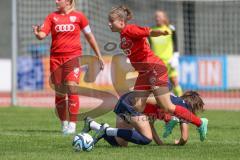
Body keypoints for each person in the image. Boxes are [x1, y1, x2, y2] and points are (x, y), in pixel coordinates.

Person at [106, 5, 208, 141]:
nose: (109, 24)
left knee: (167, 106)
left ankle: (200, 123)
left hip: (154, 69)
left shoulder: (130, 29)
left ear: (121, 22)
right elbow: (142, 44)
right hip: (143, 73)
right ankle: (122, 135)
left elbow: (148, 32)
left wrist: (161, 33)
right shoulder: (123, 35)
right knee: (137, 107)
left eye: (111, 21)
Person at [32, 0, 104, 134]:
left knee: (72, 88)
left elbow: (89, 36)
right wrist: (38, 34)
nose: (56, 1)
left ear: (68, 1)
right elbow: (42, 35)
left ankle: (72, 124)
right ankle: (64, 123)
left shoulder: (79, 17)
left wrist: (98, 55)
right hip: (56, 59)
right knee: (60, 93)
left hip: (73, 57)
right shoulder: (52, 17)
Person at [148, 10, 183, 96]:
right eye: (156, 16)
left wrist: (175, 56)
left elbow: (175, 43)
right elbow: (149, 46)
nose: (157, 18)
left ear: (164, 18)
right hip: (157, 62)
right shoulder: (151, 30)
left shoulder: (170, 29)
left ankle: (182, 101)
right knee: (158, 85)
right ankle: (162, 105)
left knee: (174, 81)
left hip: (169, 61)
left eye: (159, 16)